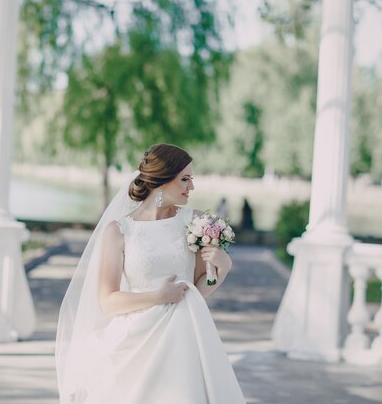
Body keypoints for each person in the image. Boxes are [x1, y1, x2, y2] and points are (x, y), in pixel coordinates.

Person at [55, 143, 246, 404]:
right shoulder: (119, 231)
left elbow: (197, 289)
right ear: (161, 181)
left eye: (192, 179)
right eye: (185, 179)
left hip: (182, 335)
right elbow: (108, 300)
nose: (192, 187)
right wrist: (158, 296)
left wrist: (222, 269)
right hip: (134, 342)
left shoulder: (197, 222)